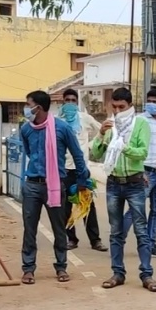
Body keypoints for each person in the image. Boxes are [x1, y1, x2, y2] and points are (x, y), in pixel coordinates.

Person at [89, 87, 156, 293]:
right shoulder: (111, 126)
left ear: (130, 105)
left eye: (122, 106)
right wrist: (101, 134)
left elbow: (142, 153)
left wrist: (123, 147)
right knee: (115, 231)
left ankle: (147, 274)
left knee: (140, 229)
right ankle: (117, 272)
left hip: (135, 182)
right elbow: (96, 153)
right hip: (113, 182)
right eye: (115, 106)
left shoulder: (140, 124)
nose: (118, 110)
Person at [19, 90, 89, 284]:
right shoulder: (26, 129)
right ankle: (28, 268)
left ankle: (61, 266)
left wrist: (82, 178)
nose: (26, 108)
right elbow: (28, 150)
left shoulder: (62, 128)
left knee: (59, 228)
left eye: (28, 104)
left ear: (38, 107)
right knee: (29, 228)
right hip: (32, 184)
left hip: (56, 184)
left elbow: (77, 154)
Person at [122, 89, 156, 258]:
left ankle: (151, 243)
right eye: (149, 100)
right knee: (135, 210)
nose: (151, 104)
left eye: (155, 101)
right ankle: (118, 239)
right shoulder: (139, 120)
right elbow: (134, 146)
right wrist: (139, 170)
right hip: (145, 172)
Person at [59, 88, 107, 251]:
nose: (70, 103)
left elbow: (100, 129)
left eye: (73, 100)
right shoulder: (58, 121)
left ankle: (95, 240)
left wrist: (96, 142)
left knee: (87, 205)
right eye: (68, 100)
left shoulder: (85, 119)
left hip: (81, 170)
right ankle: (71, 238)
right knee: (65, 206)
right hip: (64, 170)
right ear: (63, 101)